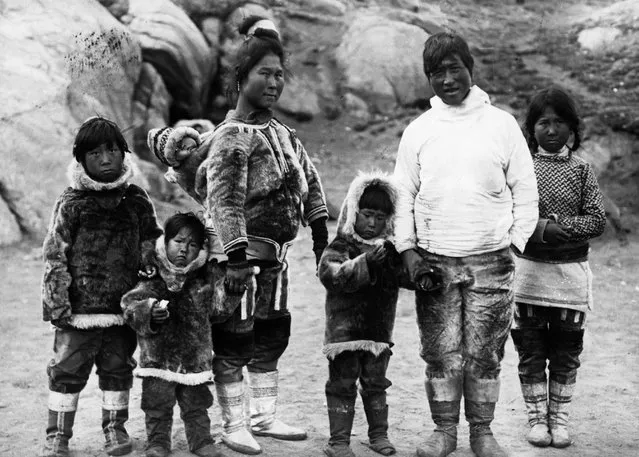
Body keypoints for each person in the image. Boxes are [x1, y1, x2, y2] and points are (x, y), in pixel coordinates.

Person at [147, 15, 329, 455]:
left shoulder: (283, 133)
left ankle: (264, 415)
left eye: (279, 74)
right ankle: (233, 423)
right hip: (240, 262)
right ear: (241, 78)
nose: (274, 82)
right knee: (237, 338)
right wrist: (237, 258)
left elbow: (311, 182)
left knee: (272, 333)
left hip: (277, 261)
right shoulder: (232, 137)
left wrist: (322, 236)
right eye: (264, 73)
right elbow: (224, 201)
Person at [393, 32, 539, 457]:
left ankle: (481, 432)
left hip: (491, 262)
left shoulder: (502, 124)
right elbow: (402, 193)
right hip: (434, 264)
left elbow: (525, 189)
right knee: (440, 352)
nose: (447, 78)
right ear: (428, 79)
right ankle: (444, 431)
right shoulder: (419, 131)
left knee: (485, 352)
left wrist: (513, 243)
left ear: (471, 69)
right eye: (436, 72)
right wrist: (408, 250)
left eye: (454, 68)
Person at [40, 117, 162, 457]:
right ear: (80, 159)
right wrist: (57, 303)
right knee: (66, 371)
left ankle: (115, 429)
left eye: (112, 150)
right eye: (95, 153)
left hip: (122, 308)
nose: (106, 159)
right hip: (79, 310)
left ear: (124, 154)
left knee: (118, 369)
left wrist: (150, 268)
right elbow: (54, 253)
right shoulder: (72, 202)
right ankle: (58, 436)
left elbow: (151, 238)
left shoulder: (136, 199)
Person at [510, 87, 606, 449]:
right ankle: (536, 420)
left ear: (572, 128)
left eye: (559, 122)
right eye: (542, 122)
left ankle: (559, 421)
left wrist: (561, 226)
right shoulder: (521, 169)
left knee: (566, 353)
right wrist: (540, 229)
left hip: (569, 278)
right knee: (531, 351)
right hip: (529, 277)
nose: (551, 130)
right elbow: (510, 214)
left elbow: (597, 219)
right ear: (531, 128)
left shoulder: (582, 171)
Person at [318, 172, 438, 457]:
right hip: (344, 337)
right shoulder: (339, 247)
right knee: (342, 384)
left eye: (381, 218)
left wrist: (424, 277)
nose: (373, 223)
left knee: (376, 384)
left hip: (378, 336)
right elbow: (331, 275)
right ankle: (338, 441)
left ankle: (378, 435)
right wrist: (364, 263)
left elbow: (403, 275)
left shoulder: (389, 250)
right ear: (353, 212)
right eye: (367, 214)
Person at [121, 212, 225, 457]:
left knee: (197, 403)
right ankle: (157, 443)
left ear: (201, 249)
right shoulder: (151, 274)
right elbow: (129, 304)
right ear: (165, 241)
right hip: (158, 359)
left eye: (192, 245)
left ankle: (201, 441)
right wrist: (147, 312)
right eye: (178, 241)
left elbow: (219, 309)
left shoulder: (203, 278)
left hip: (194, 357)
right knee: (156, 404)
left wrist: (230, 289)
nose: (184, 250)